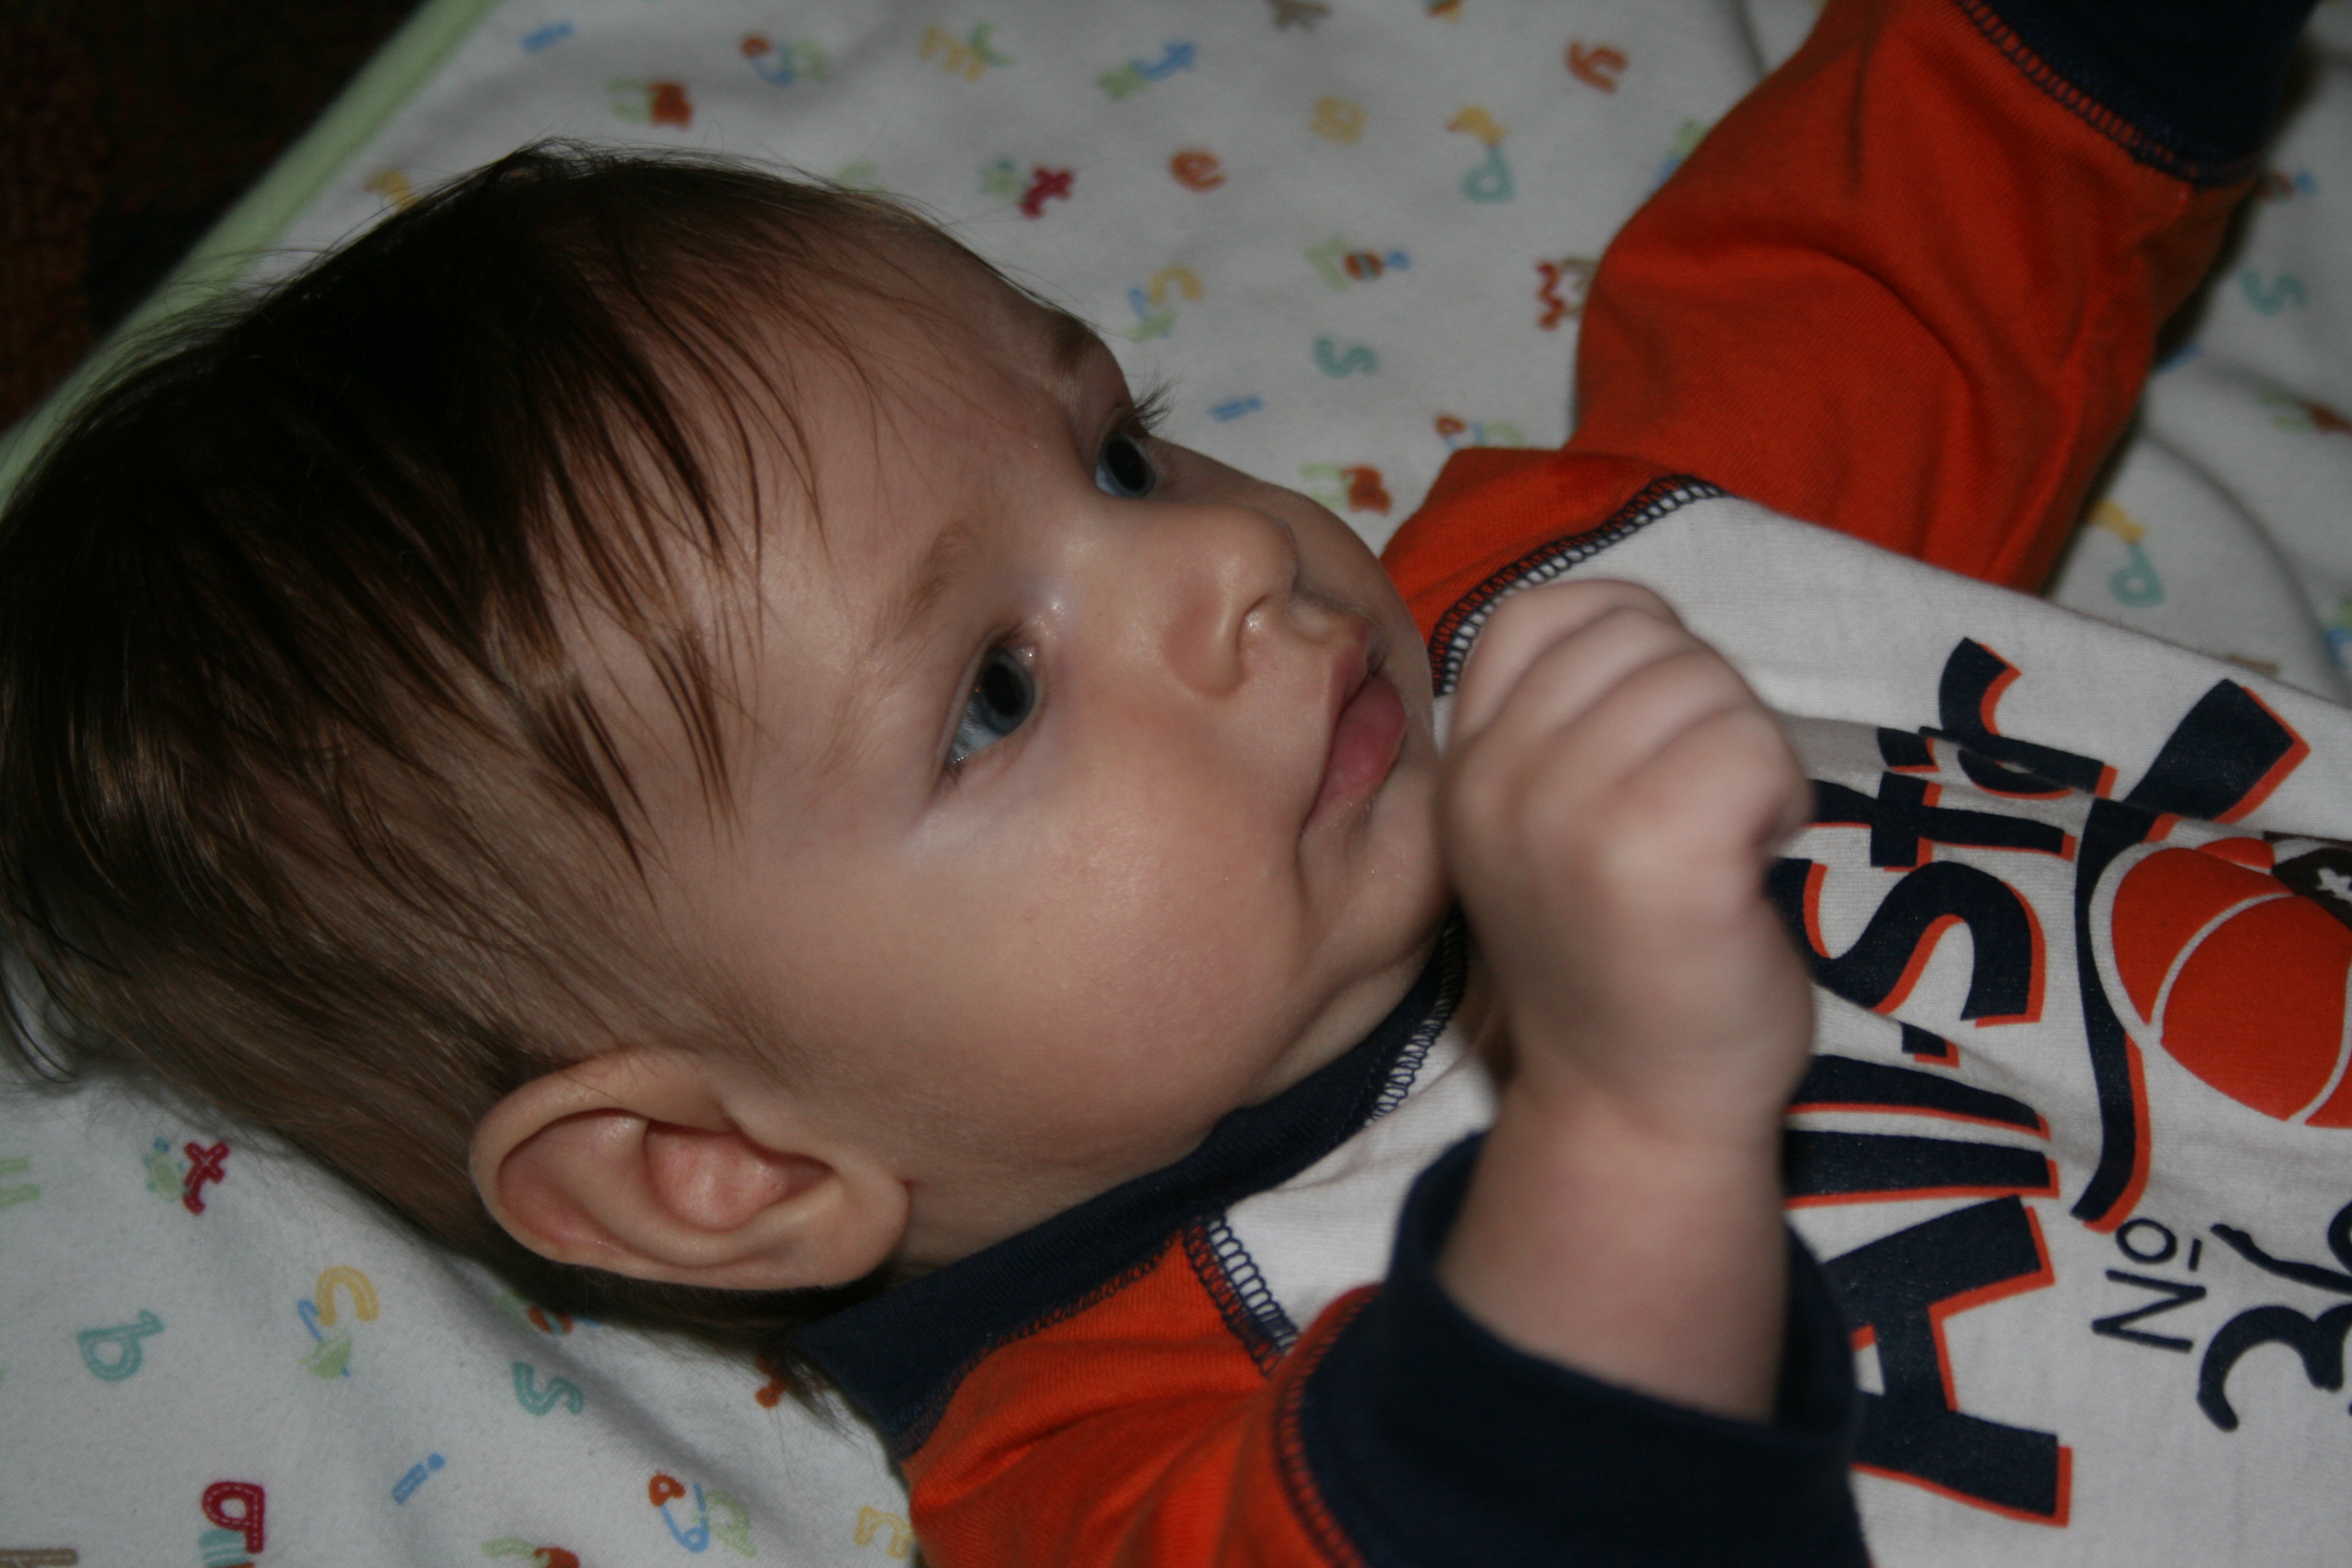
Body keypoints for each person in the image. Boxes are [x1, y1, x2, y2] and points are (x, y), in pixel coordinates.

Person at [0, 0, 2324, 1562]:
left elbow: (1890, 278)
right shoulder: (1120, 1468)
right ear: (721, 1169)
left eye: (1114, 449)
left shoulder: (1554, 606)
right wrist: (1623, 1138)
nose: (1225, 559)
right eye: (994, 694)